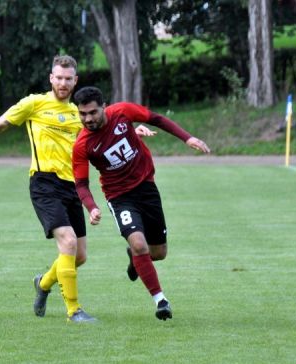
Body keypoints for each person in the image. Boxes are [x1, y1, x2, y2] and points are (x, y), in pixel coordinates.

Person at [0, 55, 96, 323]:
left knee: (79, 256)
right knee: (67, 241)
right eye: (58, 77)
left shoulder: (79, 113)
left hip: (72, 186)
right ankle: (74, 311)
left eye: (68, 79)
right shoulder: (34, 104)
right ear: (51, 78)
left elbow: (105, 128)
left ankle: (43, 283)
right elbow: (0, 125)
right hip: (44, 183)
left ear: (75, 81)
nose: (63, 83)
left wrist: (131, 131)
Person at [71, 86, 210, 321]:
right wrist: (92, 207)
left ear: (103, 107)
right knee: (139, 244)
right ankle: (161, 301)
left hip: (146, 188)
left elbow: (156, 118)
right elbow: (81, 184)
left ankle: (135, 258)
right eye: (82, 114)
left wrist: (188, 138)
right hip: (119, 197)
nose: (88, 119)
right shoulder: (82, 145)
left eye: (92, 112)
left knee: (159, 252)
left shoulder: (123, 112)